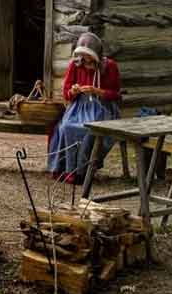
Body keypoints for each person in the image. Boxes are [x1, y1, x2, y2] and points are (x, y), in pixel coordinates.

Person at [47, 32, 122, 184]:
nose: (83, 59)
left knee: (89, 129)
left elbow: (116, 94)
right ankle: (68, 169)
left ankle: (83, 171)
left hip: (102, 107)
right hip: (79, 107)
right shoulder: (75, 65)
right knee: (66, 126)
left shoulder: (110, 66)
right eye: (81, 54)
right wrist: (73, 91)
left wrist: (97, 91)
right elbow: (67, 93)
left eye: (87, 55)